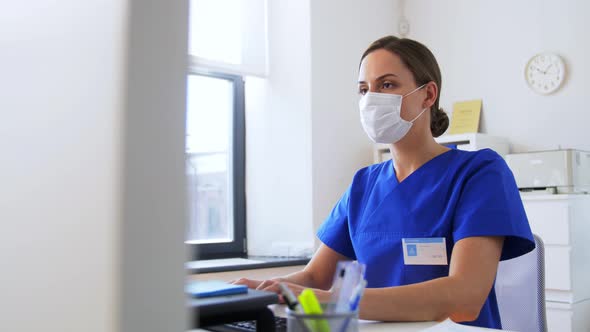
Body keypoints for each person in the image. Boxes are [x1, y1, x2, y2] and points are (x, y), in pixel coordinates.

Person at [233, 36, 534, 329]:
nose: (371, 99)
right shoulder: (364, 185)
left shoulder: (479, 172)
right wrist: (259, 290)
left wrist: (335, 302)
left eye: (387, 85)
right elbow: (315, 278)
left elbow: (465, 297)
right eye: (364, 89)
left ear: (428, 95)